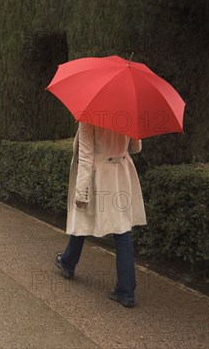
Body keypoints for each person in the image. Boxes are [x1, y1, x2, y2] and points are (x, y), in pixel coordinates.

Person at [55, 121, 146, 308]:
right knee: (122, 229)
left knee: (84, 217)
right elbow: (136, 148)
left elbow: (86, 156)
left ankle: (68, 263)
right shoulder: (127, 112)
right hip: (121, 173)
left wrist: (80, 192)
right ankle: (125, 289)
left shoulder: (89, 116)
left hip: (99, 174)